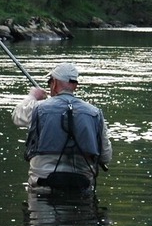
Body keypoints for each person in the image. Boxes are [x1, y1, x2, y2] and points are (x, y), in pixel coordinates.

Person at [13, 62, 111, 191]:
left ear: (54, 83)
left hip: (43, 185)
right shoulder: (95, 113)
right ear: (75, 86)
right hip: (81, 185)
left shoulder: (37, 108)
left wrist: (33, 96)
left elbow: (17, 116)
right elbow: (105, 156)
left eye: (49, 82)